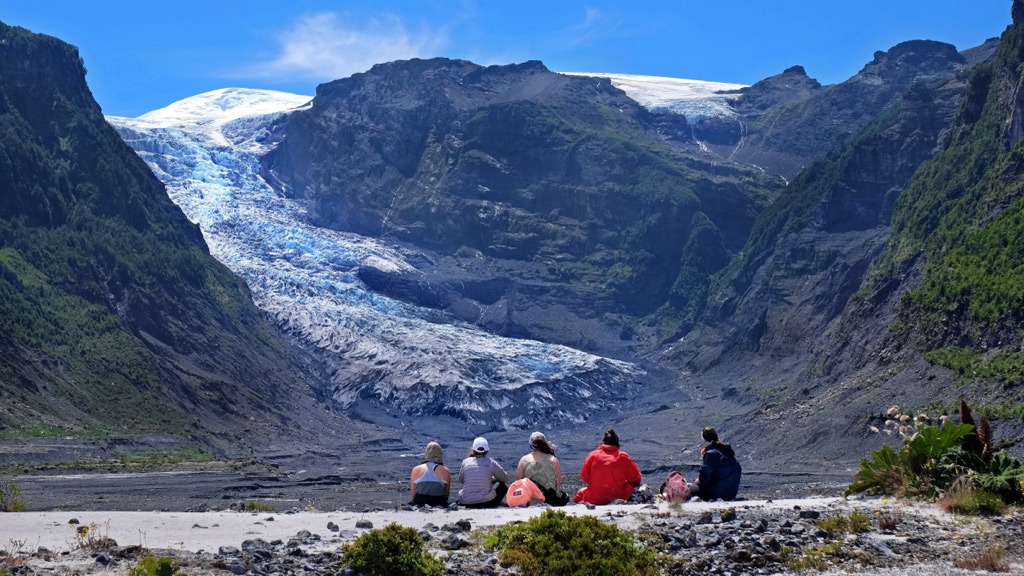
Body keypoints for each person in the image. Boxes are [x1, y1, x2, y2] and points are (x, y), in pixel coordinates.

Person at [574, 428, 642, 505]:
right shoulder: (623, 456)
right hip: (619, 496)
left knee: (581, 493)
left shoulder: (593, 455)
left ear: (603, 443)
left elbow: (584, 476)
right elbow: (635, 478)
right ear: (617, 444)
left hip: (594, 498)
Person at [516, 431, 569, 506]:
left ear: (531, 444)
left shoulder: (523, 460)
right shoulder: (553, 459)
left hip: (531, 499)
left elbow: (519, 482)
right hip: (550, 499)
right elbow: (558, 481)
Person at [689, 426, 741, 501]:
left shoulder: (711, 454)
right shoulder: (726, 451)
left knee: (689, 489)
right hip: (731, 494)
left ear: (705, 441)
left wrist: (697, 481)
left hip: (717, 493)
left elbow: (702, 478)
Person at [457, 436, 509, 508]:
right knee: (502, 486)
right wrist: (493, 479)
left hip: (466, 502)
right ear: (487, 450)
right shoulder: (490, 462)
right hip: (485, 502)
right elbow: (504, 478)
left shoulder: (465, 462)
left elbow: (461, 480)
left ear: (473, 449)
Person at [409, 441, 451, 507]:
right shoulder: (446, 470)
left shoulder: (416, 469)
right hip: (439, 502)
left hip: (420, 502)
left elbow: (413, 494)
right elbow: (446, 495)